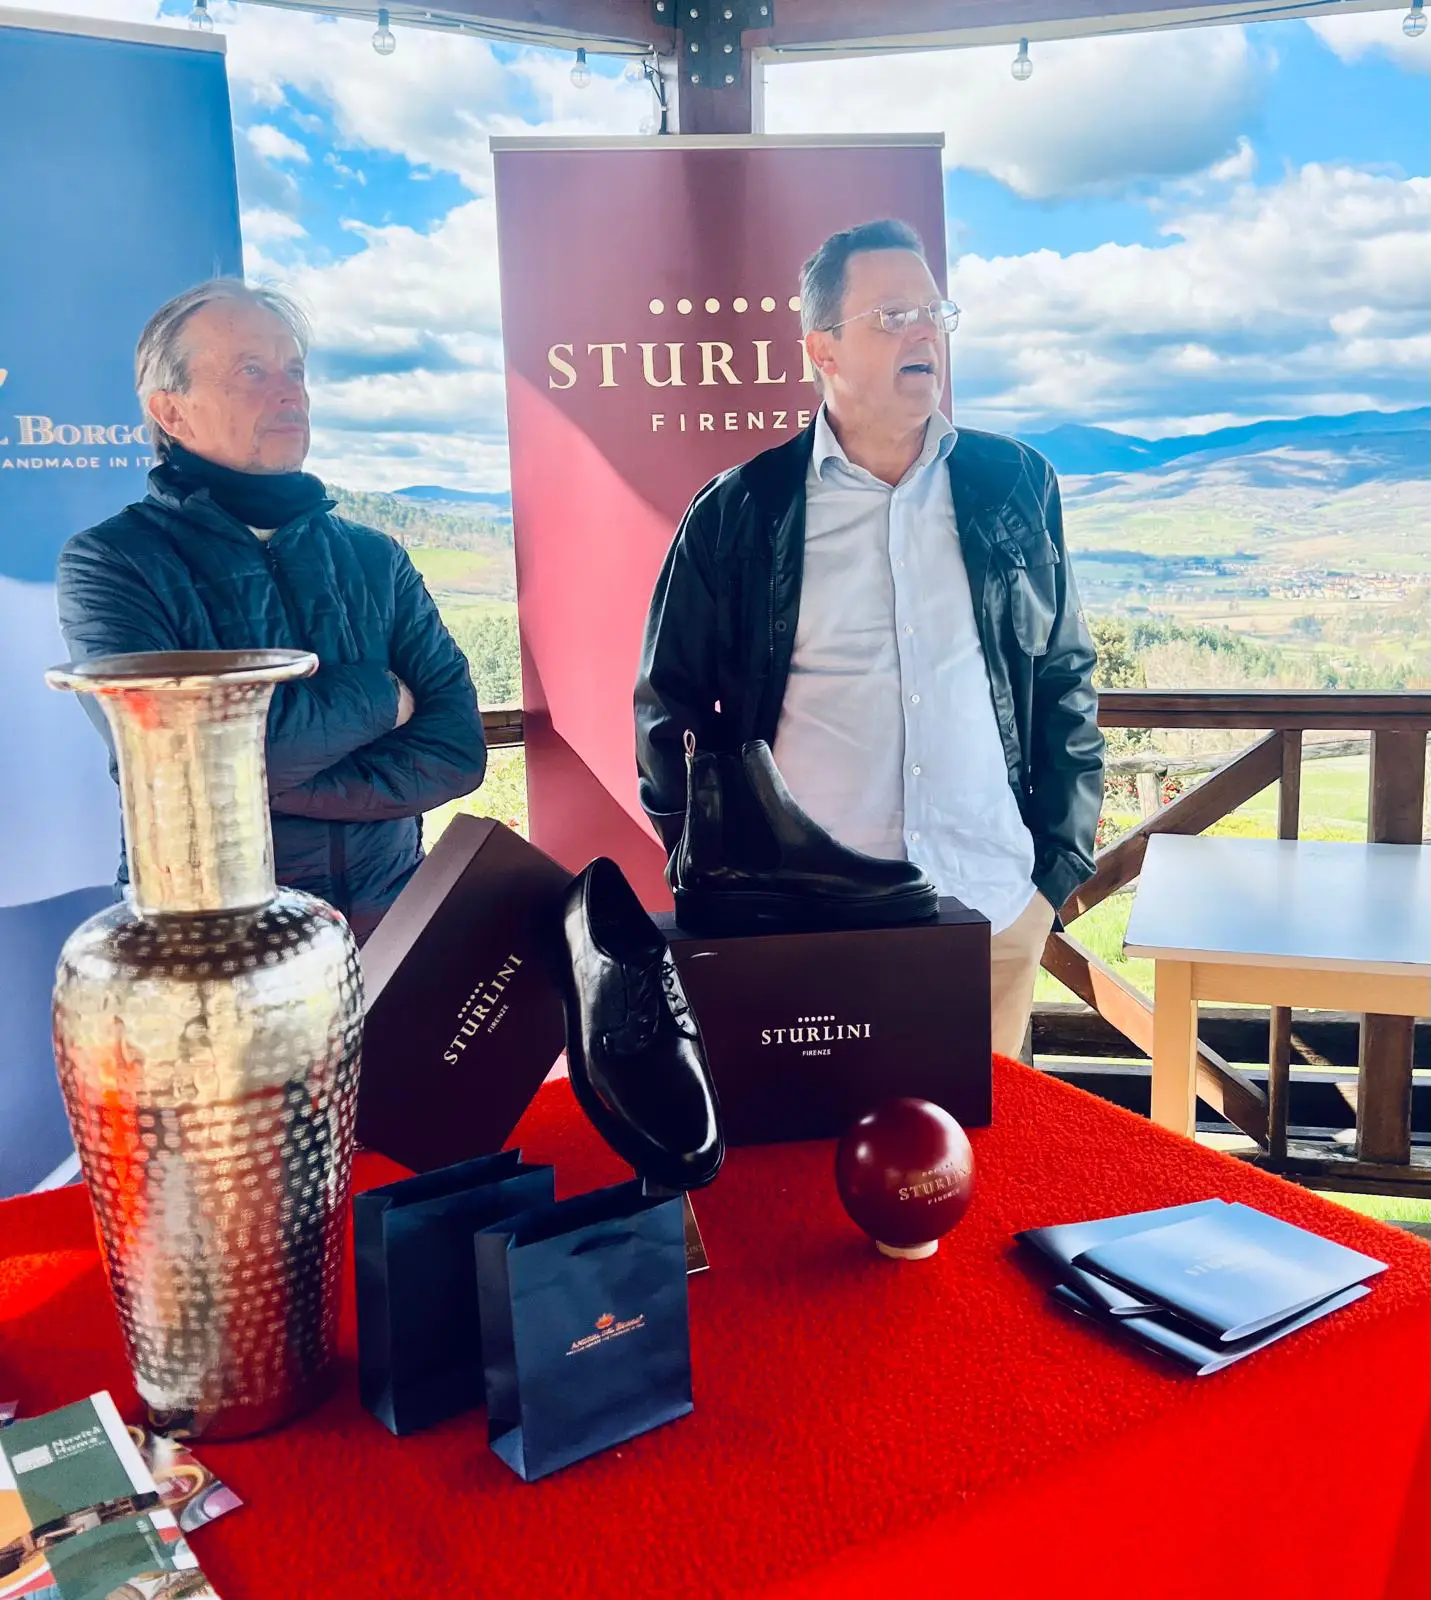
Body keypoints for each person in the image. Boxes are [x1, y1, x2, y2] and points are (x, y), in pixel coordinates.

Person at [635, 219, 1104, 1058]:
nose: (923, 333)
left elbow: (1064, 675)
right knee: (807, 1139)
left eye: (933, 313)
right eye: (892, 316)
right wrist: (710, 866)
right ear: (821, 349)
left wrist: (1054, 871)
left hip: (991, 905)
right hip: (807, 924)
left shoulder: (1015, 484)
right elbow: (667, 707)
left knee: (983, 1141)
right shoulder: (740, 512)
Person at [57, 280, 486, 941]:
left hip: (391, 927)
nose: (289, 393)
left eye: (295, 371)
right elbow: (179, 775)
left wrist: (262, 784)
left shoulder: (373, 557)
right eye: (251, 371)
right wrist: (381, 695)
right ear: (171, 412)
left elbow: (456, 752)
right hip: (213, 944)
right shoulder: (113, 562)